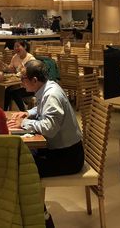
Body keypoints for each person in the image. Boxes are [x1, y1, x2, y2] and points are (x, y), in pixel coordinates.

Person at [8, 60, 83, 226]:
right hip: (62, 150)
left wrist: (24, 123)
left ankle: (41, 218)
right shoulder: (48, 87)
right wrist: (27, 113)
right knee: (22, 158)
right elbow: (42, 108)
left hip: (68, 157)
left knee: (23, 170)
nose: (21, 82)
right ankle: (32, 213)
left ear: (34, 80)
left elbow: (49, 128)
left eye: (23, 78)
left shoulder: (51, 95)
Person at [0, 39, 36, 111]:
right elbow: (11, 69)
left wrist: (18, 73)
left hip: (29, 87)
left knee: (13, 92)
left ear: (24, 47)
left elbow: (30, 75)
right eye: (14, 47)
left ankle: (23, 112)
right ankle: (4, 112)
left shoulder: (31, 59)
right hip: (18, 85)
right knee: (7, 91)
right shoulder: (15, 57)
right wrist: (5, 68)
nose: (16, 48)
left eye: (18, 46)